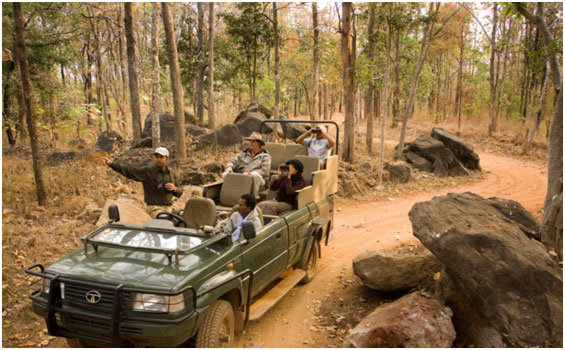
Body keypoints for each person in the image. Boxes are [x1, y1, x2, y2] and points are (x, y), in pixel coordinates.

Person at [102, 147, 182, 218]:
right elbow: (130, 171)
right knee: (164, 220)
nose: (159, 159)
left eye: (161, 157)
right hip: (154, 208)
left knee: (182, 218)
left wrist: (174, 188)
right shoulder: (148, 171)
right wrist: (112, 164)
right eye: (157, 157)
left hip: (169, 208)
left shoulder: (172, 173)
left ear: (166, 159)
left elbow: (180, 192)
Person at [223, 131, 271, 199]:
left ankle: (254, 199)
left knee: (254, 175)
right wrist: (229, 167)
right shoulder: (244, 152)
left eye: (253, 141)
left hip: (258, 179)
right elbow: (233, 161)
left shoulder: (265, 156)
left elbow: (265, 171)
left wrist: (249, 173)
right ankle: (227, 197)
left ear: (259, 143)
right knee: (225, 174)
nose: (250, 143)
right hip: (241, 175)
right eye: (250, 141)